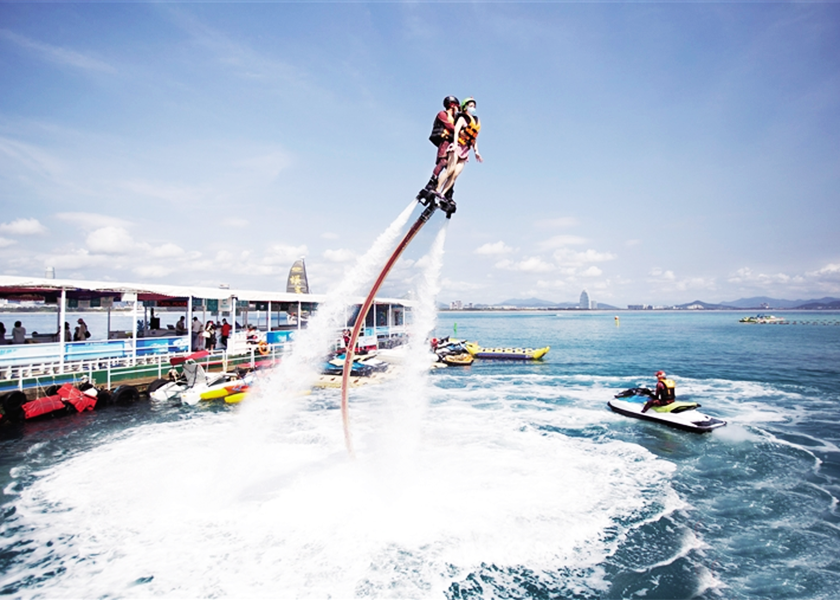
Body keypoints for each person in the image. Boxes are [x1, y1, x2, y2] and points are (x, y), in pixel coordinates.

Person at [434, 96, 482, 211]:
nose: (473, 108)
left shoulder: (475, 121)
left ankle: (443, 194)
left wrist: (476, 152)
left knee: (455, 174)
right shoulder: (461, 119)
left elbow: (473, 139)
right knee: (450, 170)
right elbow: (456, 132)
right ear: (465, 107)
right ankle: (436, 189)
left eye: (474, 106)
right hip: (457, 147)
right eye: (470, 106)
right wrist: (455, 144)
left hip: (465, 151)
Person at [417, 95, 460, 203]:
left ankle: (448, 192)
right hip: (445, 142)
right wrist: (461, 131)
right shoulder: (442, 114)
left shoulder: (456, 118)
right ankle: (432, 182)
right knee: (443, 161)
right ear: (452, 105)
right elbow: (450, 127)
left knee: (451, 168)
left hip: (452, 144)